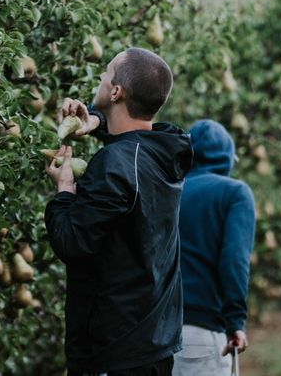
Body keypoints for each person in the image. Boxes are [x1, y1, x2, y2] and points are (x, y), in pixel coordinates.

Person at [45, 48, 194, 376]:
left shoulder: (114, 165)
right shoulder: (167, 151)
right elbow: (137, 132)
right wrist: (96, 121)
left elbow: (71, 241)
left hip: (115, 350)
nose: (100, 77)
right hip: (154, 339)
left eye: (106, 73)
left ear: (116, 92)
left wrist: (65, 190)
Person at [172, 120, 256, 376]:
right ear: (228, 159)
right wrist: (235, 322)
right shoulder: (233, 194)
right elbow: (234, 260)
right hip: (200, 333)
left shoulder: (168, 190)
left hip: (150, 335)